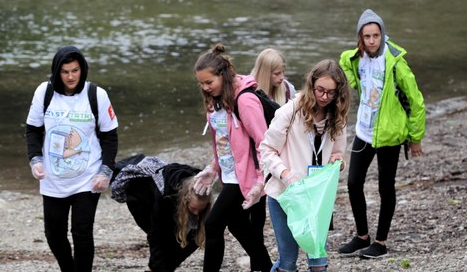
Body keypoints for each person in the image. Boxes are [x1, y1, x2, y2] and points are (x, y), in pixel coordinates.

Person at [337, 9, 426, 258]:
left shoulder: (395, 62)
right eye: (367, 36)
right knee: (354, 183)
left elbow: (416, 101)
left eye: (376, 35)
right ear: (360, 38)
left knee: (385, 188)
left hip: (390, 136)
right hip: (364, 132)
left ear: (382, 34)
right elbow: (345, 64)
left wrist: (416, 137)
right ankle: (362, 236)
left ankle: (381, 242)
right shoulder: (357, 58)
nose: (372, 40)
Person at [25, 45, 119, 271]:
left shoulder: (97, 95)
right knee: (54, 234)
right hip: (53, 178)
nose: (70, 76)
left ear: (82, 70)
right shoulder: (44, 92)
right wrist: (35, 159)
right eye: (65, 71)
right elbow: (33, 130)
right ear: (57, 71)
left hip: (88, 177)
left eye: (75, 71)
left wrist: (105, 170)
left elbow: (110, 137)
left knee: (82, 232)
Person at [259, 59, 350, 272]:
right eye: (320, 90)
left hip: (317, 199)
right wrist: (287, 175)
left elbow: (337, 151)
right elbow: (266, 150)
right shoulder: (289, 112)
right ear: (311, 85)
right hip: (285, 195)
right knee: (288, 262)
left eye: (331, 92)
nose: (324, 97)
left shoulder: (338, 116)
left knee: (318, 261)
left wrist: (338, 160)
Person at [192, 43, 273, 272]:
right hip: (229, 174)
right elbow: (221, 140)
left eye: (209, 82)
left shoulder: (245, 101)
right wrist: (213, 168)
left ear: (224, 75)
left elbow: (263, 142)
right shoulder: (215, 100)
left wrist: (259, 181)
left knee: (213, 224)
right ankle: (267, 268)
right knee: (239, 227)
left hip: (247, 176)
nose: (205, 88)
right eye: (201, 83)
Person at [110, 155, 213, 271]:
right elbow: (156, 236)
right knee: (165, 236)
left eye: (201, 209)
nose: (196, 213)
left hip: (167, 195)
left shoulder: (201, 184)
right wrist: (156, 266)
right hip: (139, 197)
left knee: (195, 235)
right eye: (193, 208)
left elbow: (196, 238)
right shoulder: (166, 199)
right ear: (185, 199)